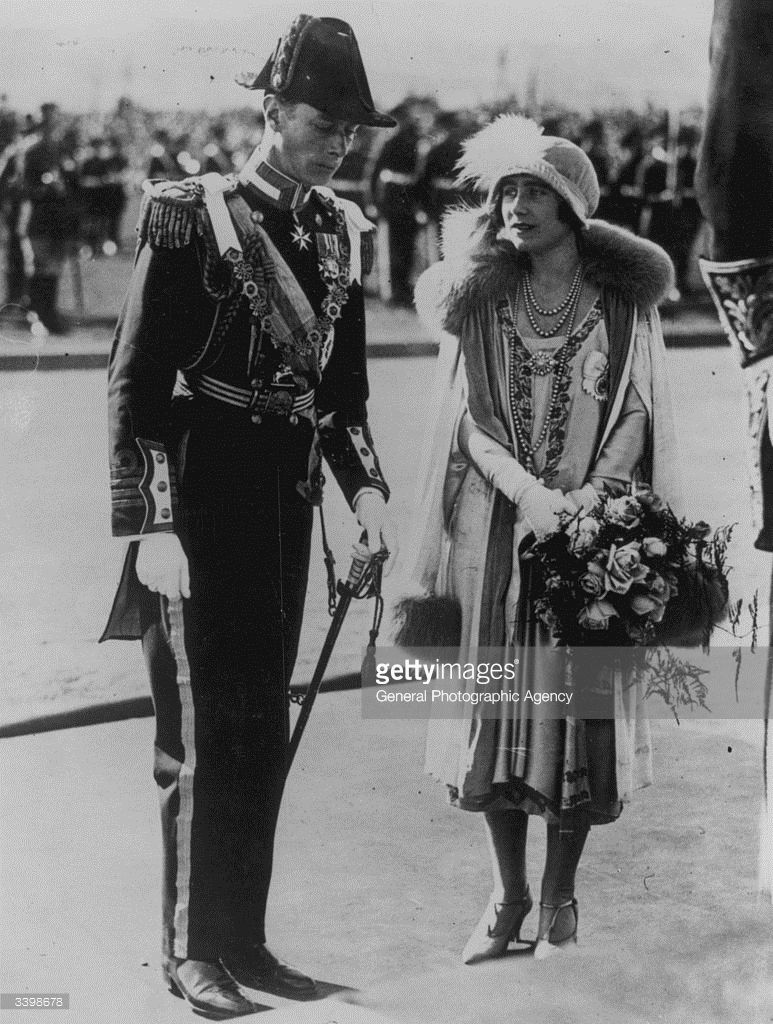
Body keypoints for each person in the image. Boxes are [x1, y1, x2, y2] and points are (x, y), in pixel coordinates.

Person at [100, 15, 397, 1020]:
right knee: (199, 727)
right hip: (198, 488)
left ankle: (245, 940)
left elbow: (339, 394)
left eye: (352, 129)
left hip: (284, 495)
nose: (340, 142)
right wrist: (147, 527)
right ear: (272, 108)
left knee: (259, 722)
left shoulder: (334, 232)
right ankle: (189, 949)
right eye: (325, 120)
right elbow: (135, 382)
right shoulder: (194, 215)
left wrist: (363, 497)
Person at [404, 115, 679, 963]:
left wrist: (590, 499)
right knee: (494, 707)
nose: (515, 207)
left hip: (588, 539)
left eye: (533, 191)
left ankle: (559, 896)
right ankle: (506, 894)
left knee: (572, 711)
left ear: (572, 206)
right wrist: (525, 493)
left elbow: (634, 410)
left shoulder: (620, 306)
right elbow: (466, 422)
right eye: (506, 192)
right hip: (494, 529)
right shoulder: (482, 300)